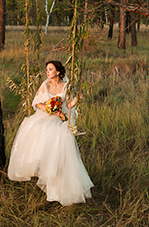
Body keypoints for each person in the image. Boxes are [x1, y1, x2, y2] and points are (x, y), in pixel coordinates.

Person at [7, 60, 93, 206]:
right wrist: (48, 109)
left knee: (60, 136)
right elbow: (36, 103)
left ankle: (61, 187)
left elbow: (68, 105)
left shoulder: (66, 86)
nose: (47, 72)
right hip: (46, 116)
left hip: (60, 117)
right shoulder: (45, 85)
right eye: (47, 69)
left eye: (50, 69)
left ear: (58, 72)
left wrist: (77, 99)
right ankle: (45, 171)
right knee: (38, 128)